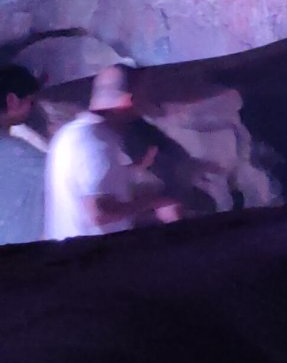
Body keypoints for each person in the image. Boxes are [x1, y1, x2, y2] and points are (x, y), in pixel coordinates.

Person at [43, 66, 174, 242]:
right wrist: (156, 203)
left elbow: (90, 182)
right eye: (145, 96)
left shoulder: (71, 133)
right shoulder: (96, 143)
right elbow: (99, 214)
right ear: (129, 101)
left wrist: (132, 171)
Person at [0, 64, 48, 246]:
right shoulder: (18, 154)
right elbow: (62, 176)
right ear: (12, 101)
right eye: (31, 102)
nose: (33, 109)